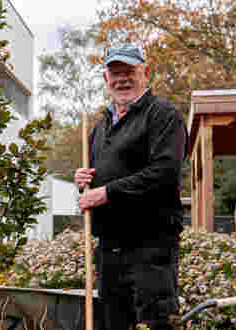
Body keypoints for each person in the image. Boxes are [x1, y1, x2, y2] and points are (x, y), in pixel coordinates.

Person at [75, 43, 187, 330]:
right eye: (115, 73)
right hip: (110, 249)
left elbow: (164, 172)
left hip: (150, 246)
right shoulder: (100, 128)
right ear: (105, 79)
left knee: (156, 323)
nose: (121, 79)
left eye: (129, 71)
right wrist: (85, 183)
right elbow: (97, 183)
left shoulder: (162, 115)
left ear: (145, 73)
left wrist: (106, 192)